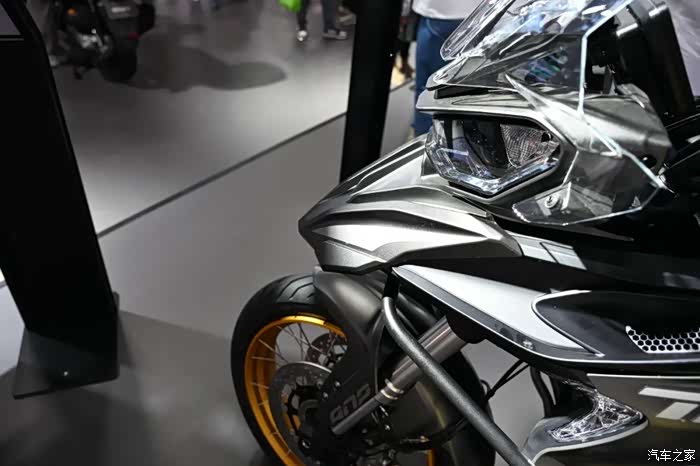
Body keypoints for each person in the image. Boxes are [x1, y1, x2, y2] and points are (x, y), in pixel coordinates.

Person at [412, 0, 479, 134]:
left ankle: (426, 139)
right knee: (474, 91)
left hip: (437, 12)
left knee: (428, 91)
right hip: (481, 14)